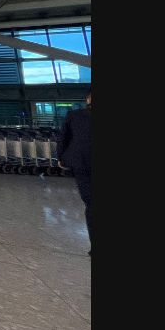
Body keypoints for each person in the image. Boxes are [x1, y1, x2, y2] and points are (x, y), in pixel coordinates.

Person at [57, 91, 92, 256]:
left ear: (88, 99)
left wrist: (61, 157)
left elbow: (63, 138)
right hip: (81, 162)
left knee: (91, 204)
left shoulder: (74, 115)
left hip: (81, 162)